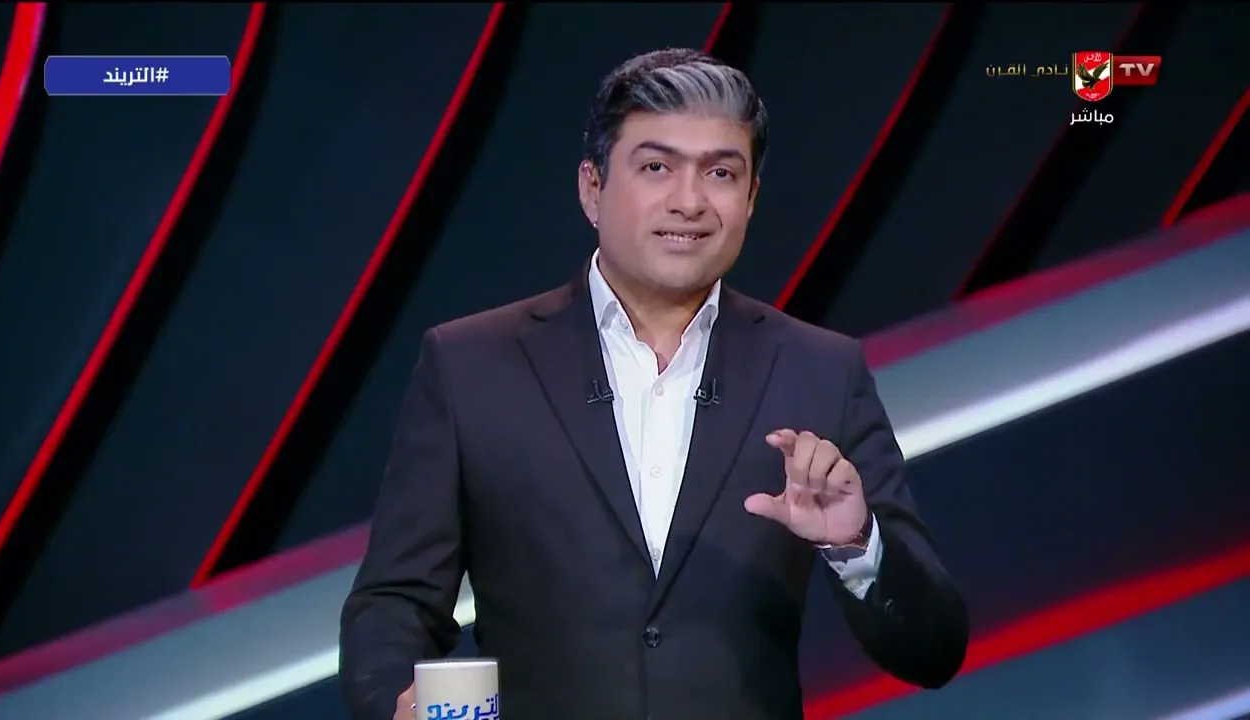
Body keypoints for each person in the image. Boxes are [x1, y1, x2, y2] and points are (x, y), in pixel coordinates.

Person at [340, 48, 968, 720]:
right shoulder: (470, 364)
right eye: (656, 168)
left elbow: (933, 650)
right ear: (592, 188)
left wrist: (857, 544)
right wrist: (399, 703)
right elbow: (394, 605)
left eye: (721, 173)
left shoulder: (821, 370)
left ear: (751, 198)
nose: (689, 201)